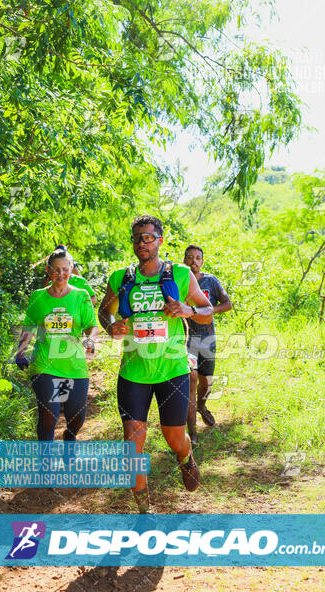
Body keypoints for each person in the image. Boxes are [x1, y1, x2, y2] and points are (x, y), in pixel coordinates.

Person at [98, 215, 213, 513]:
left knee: (174, 438)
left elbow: (207, 311)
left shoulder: (181, 274)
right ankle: (144, 511)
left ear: (160, 240)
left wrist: (187, 309)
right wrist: (111, 327)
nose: (141, 243)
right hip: (134, 373)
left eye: (148, 237)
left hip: (171, 371)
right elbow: (104, 312)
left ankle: (185, 457)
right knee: (131, 444)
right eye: (137, 238)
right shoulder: (121, 277)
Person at [15, 249, 99, 441]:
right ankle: (45, 463)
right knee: (49, 416)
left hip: (74, 365)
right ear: (48, 270)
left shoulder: (81, 296)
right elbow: (29, 328)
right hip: (44, 363)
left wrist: (90, 340)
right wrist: (20, 352)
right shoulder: (38, 297)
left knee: (76, 418)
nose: (61, 274)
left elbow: (91, 326)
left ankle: (70, 435)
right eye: (56, 269)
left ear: (71, 270)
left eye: (65, 269)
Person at [184, 245, 232, 446]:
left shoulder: (210, 281)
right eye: (190, 258)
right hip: (185, 339)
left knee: (206, 383)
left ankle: (202, 406)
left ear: (202, 261)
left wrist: (208, 310)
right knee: (190, 382)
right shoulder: (179, 280)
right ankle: (192, 433)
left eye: (198, 258)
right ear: (184, 261)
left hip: (207, 338)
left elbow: (227, 304)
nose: (194, 261)